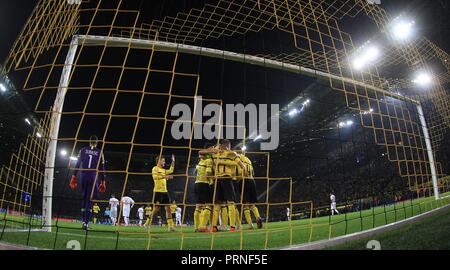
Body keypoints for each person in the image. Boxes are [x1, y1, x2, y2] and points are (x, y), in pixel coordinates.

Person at [200, 140, 246, 232]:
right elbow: (201, 153)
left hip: (225, 178)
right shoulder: (214, 154)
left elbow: (242, 166)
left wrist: (221, 162)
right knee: (220, 204)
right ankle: (216, 227)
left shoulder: (231, 153)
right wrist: (213, 150)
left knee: (227, 203)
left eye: (227, 146)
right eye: (225, 145)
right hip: (220, 180)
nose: (226, 147)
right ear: (221, 145)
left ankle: (229, 226)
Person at [70, 135, 107, 230]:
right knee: (89, 200)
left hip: (83, 175)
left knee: (84, 198)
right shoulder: (100, 152)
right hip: (93, 177)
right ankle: (86, 223)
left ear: (89, 141)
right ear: (97, 142)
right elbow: (101, 168)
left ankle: (83, 221)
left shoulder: (82, 150)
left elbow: (77, 164)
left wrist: (73, 176)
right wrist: (103, 181)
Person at [237, 152, 263, 229]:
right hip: (252, 180)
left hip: (243, 181)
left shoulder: (238, 159)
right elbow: (253, 172)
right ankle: (258, 217)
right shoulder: (248, 159)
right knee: (252, 204)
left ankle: (250, 224)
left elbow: (240, 172)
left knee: (245, 205)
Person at [150, 155, 176, 232]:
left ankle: (170, 226)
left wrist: (173, 161)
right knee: (156, 209)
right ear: (159, 161)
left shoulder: (163, 170)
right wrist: (165, 177)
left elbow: (171, 170)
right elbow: (155, 177)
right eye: (163, 161)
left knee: (168, 209)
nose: (164, 162)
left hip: (165, 192)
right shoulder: (155, 168)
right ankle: (147, 223)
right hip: (157, 191)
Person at [194, 146, 214, 232]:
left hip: (196, 184)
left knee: (198, 206)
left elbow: (195, 172)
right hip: (204, 184)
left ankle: (196, 227)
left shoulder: (200, 162)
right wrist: (215, 178)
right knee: (208, 205)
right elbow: (208, 174)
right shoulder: (208, 161)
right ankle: (203, 226)